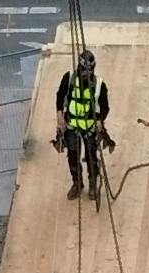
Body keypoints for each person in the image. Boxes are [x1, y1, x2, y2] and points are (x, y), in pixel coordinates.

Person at [55, 48, 114, 201]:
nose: (85, 74)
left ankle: (93, 185)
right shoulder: (69, 78)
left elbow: (105, 107)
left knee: (91, 157)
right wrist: (60, 115)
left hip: (90, 127)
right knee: (73, 156)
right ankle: (77, 183)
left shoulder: (100, 85)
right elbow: (60, 96)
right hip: (71, 125)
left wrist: (100, 120)